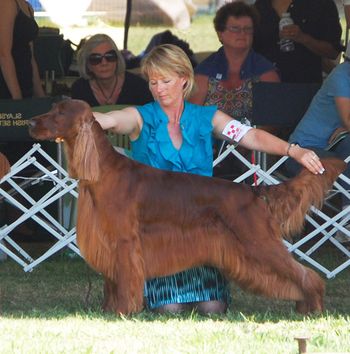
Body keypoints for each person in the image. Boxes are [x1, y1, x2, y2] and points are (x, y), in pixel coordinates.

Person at [93, 44, 325, 315]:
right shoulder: (140, 117)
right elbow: (109, 119)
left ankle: (308, 289)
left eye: (166, 81)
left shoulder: (207, 116)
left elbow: (249, 136)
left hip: (202, 225)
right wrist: (81, 117)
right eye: (153, 82)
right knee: (171, 308)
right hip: (157, 234)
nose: (159, 89)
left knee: (213, 307)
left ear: (184, 79)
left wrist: (292, 150)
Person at [287, 47, 350, 243]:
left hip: (337, 146)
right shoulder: (342, 74)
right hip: (303, 150)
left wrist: (346, 130)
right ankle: (346, 223)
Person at [190, 1, 279, 123]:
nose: (242, 33)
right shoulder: (203, 72)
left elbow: (271, 123)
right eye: (235, 29)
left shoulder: (266, 73)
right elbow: (191, 120)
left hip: (255, 140)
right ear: (220, 34)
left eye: (248, 29)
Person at [253, 0, 343, 83]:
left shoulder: (321, 4)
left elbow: (333, 51)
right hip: (265, 85)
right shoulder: (261, 5)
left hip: (305, 86)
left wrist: (303, 38)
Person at [71, 34, 153, 107]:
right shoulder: (79, 89)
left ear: (117, 59)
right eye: (95, 59)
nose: (104, 63)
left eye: (110, 56)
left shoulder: (139, 87)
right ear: (87, 65)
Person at [0, 0, 45, 99]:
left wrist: (40, 96)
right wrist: (17, 97)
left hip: (25, 81)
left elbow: (30, 56)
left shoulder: (27, 6)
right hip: (7, 85)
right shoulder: (6, 3)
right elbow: (3, 54)